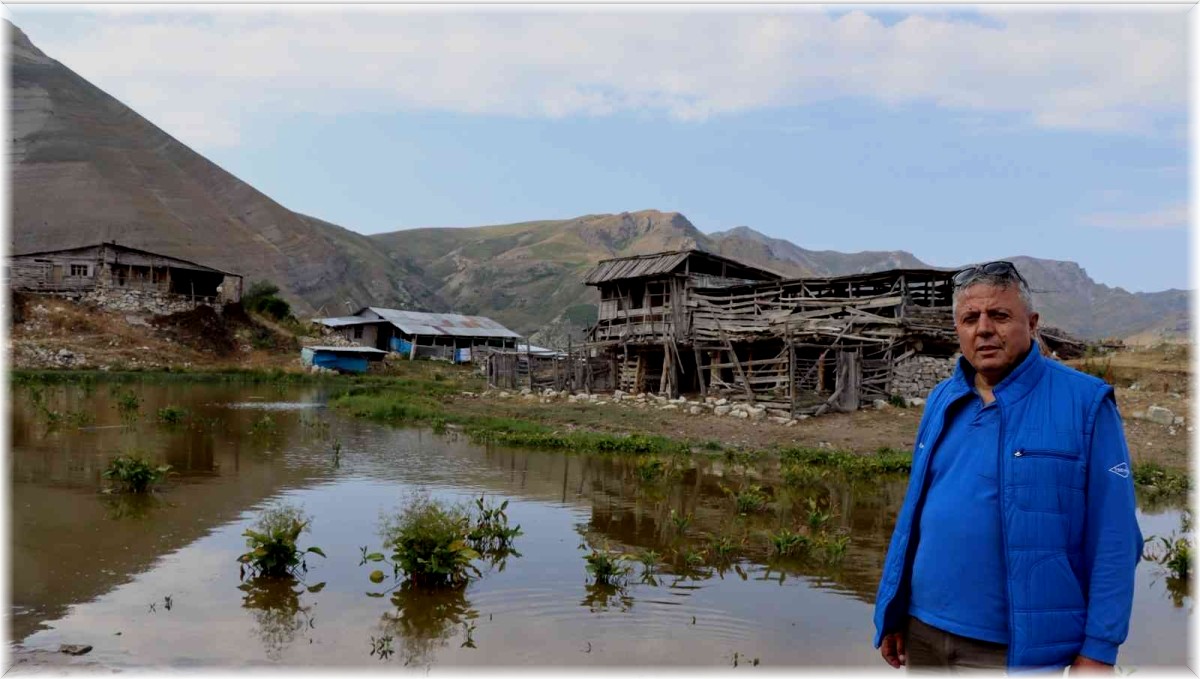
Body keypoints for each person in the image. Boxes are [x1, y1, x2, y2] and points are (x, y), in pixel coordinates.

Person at [872, 261, 1142, 672]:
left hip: (1013, 651)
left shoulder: (1085, 404)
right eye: (969, 318)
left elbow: (1116, 537)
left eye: (999, 315)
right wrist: (892, 610)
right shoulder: (942, 399)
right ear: (957, 330)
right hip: (922, 631)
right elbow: (914, 513)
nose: (983, 329)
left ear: (1032, 324)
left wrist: (1099, 649)